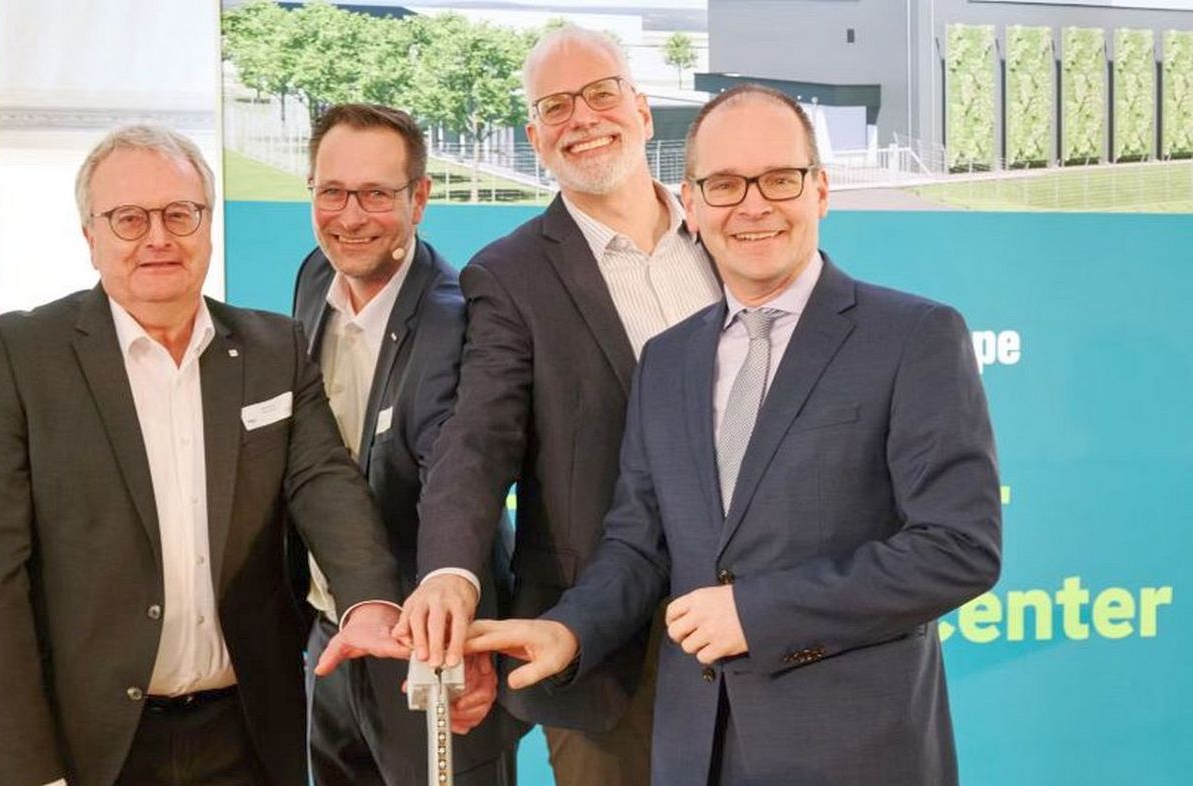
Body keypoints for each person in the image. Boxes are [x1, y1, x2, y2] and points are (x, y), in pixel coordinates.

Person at [466, 84, 1004, 786]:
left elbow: (957, 549)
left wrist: (757, 612)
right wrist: (571, 629)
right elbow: (638, 545)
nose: (753, 206)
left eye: (779, 179)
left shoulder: (913, 337)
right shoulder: (667, 361)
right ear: (691, 204)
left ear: (820, 190)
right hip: (694, 749)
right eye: (723, 185)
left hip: (854, 752)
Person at [0, 124, 413, 786]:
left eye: (179, 214)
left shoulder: (274, 349)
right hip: (83, 747)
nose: (157, 237)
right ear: (91, 236)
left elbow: (324, 484)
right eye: (129, 219)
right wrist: (25, 771)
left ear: (207, 224)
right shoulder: (20, 358)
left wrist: (367, 601)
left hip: (245, 737)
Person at [395, 25, 721, 786]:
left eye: (602, 94)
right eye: (556, 106)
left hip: (752, 623)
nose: (583, 118)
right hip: (602, 654)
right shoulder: (508, 276)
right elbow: (478, 441)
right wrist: (449, 572)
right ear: (537, 137)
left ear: (642, 110)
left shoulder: (728, 232)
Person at [290, 103, 518, 786]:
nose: (350, 217)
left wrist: (466, 642)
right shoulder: (314, 276)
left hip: (425, 650)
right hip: (332, 640)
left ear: (419, 199)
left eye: (376, 195)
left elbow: (462, 484)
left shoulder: (457, 320)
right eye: (333, 192)